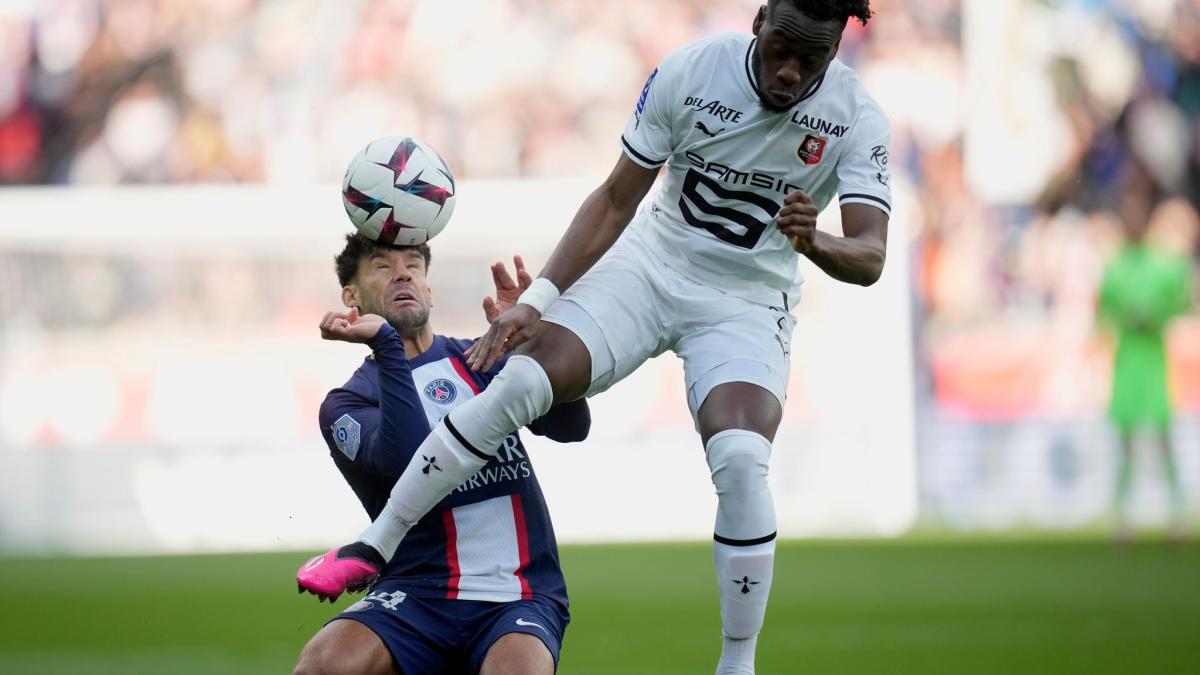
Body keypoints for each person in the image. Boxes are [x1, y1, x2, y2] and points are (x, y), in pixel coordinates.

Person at [299, 2, 890, 672]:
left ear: (837, 47)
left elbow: (870, 255)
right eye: (782, 48)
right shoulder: (692, 73)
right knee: (522, 378)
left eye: (811, 59)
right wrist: (538, 302)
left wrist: (817, 241)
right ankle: (375, 543)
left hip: (746, 298)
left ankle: (737, 662)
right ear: (759, 21)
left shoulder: (856, 117)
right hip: (651, 264)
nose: (790, 71)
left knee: (741, 458)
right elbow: (615, 198)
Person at [293, 234, 590, 675]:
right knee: (323, 665)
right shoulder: (346, 405)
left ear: (429, 290)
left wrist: (535, 345)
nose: (402, 274)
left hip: (517, 592)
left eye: (413, 264)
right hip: (414, 593)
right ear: (351, 298)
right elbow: (409, 458)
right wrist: (387, 345)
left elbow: (572, 429)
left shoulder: (483, 361)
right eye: (382, 266)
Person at [1098, 190, 1193, 544]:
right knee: (1126, 447)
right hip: (1130, 363)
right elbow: (1103, 311)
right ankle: (1123, 518)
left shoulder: (1160, 267)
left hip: (1150, 362)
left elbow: (1181, 301)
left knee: (1163, 443)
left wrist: (1153, 318)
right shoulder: (1117, 267)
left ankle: (1177, 516)